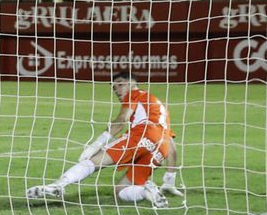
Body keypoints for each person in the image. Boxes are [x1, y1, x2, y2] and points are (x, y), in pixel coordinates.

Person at [25, 71, 184, 207]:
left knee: (94, 161)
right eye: (114, 87)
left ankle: (58, 186)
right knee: (120, 191)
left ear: (131, 83)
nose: (117, 89)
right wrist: (170, 180)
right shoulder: (157, 105)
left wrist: (97, 144)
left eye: (120, 84)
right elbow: (171, 145)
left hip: (142, 135)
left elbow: (121, 120)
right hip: (160, 147)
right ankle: (146, 191)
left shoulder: (135, 95)